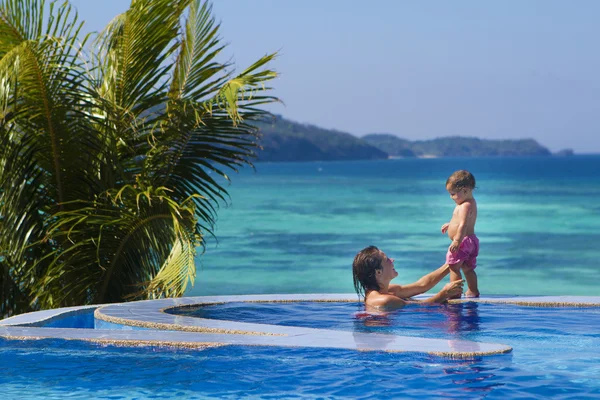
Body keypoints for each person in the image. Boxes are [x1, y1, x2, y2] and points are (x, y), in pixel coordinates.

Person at [352, 245, 464, 310]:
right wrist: (444, 293)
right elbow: (420, 308)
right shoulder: (384, 300)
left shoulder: (387, 291)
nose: (392, 260)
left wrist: (452, 262)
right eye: (387, 260)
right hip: (379, 338)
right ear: (378, 272)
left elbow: (421, 285)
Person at [441, 170, 480, 298]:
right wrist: (450, 224)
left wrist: (457, 241)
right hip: (471, 241)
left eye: (453, 194)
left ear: (465, 190)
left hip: (462, 242)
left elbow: (463, 224)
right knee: (468, 268)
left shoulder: (464, 206)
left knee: (453, 267)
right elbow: (462, 222)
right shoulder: (470, 203)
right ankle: (473, 291)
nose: (451, 197)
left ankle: (455, 293)